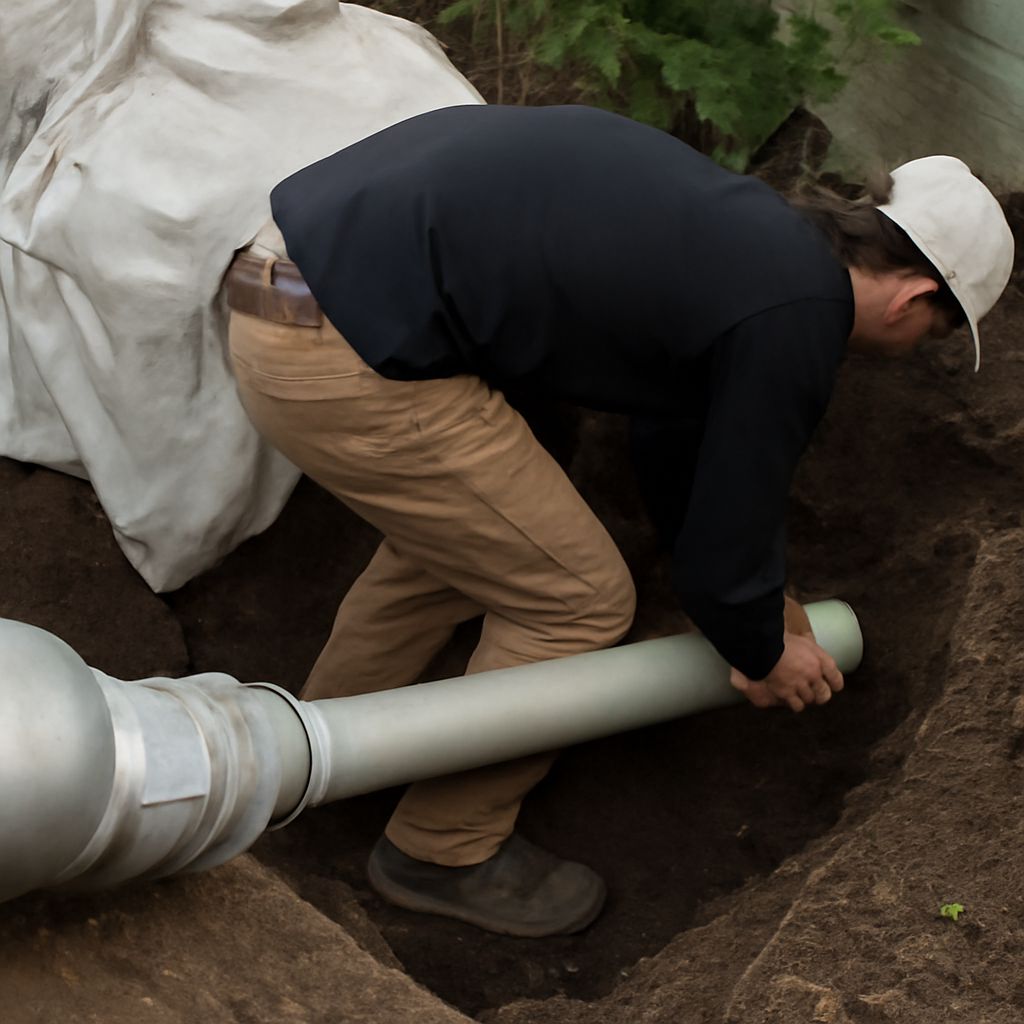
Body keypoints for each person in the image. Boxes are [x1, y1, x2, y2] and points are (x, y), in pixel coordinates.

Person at [224, 103, 1013, 937]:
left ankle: (313, 756)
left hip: (275, 286)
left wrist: (758, 605)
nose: (917, 345)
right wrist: (758, 649)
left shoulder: (747, 243)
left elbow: (682, 450)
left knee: (463, 550)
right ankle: (440, 847)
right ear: (915, 298)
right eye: (934, 332)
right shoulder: (794, 315)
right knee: (578, 599)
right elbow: (729, 507)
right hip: (338, 346)